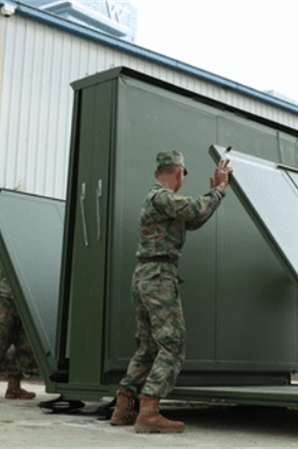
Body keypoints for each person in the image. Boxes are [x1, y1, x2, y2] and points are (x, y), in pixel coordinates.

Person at [110, 151, 233, 433]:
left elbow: (194, 219)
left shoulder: (161, 203)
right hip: (158, 276)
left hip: (145, 275)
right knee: (173, 344)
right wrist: (221, 190)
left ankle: (124, 408)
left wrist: (214, 193)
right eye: (182, 176)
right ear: (178, 174)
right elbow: (196, 209)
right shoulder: (162, 197)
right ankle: (149, 410)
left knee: (148, 346)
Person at [0, 277, 37, 400]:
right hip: (8, 295)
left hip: (33, 296)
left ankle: (14, 388)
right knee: (0, 340)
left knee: (27, 344)